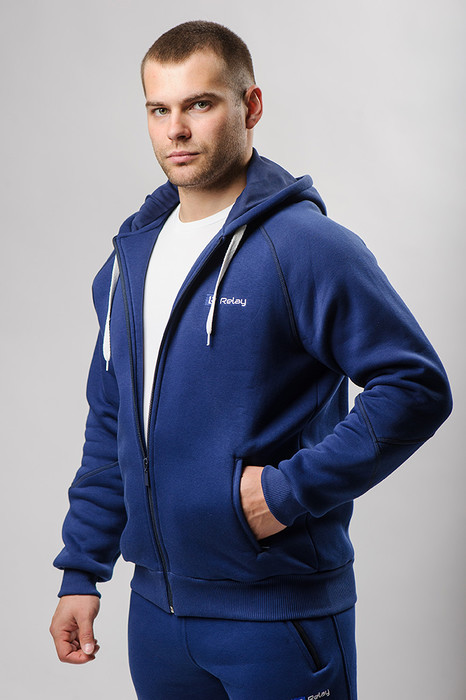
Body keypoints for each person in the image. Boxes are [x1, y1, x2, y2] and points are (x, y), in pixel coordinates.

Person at [49, 20, 452, 700]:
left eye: (200, 104)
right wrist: (80, 571)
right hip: (158, 620)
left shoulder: (305, 247)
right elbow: (111, 423)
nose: (177, 130)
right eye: (159, 110)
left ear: (250, 106)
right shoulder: (126, 266)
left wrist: (289, 492)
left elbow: (416, 385)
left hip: (279, 619)